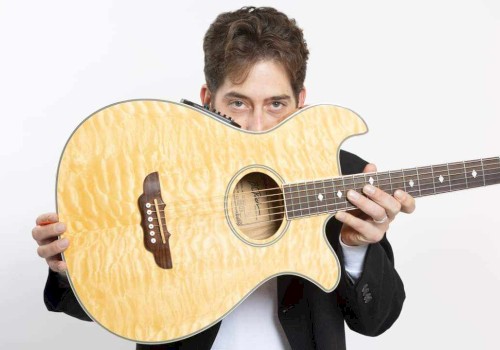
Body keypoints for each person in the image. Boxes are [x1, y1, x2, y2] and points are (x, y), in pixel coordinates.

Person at [32, 6, 415, 350]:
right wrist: (70, 267)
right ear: (207, 100)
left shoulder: (341, 171)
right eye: (238, 102)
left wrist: (357, 249)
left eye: (276, 104)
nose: (257, 124)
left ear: (302, 102)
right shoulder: (158, 161)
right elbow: (96, 308)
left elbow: (375, 321)